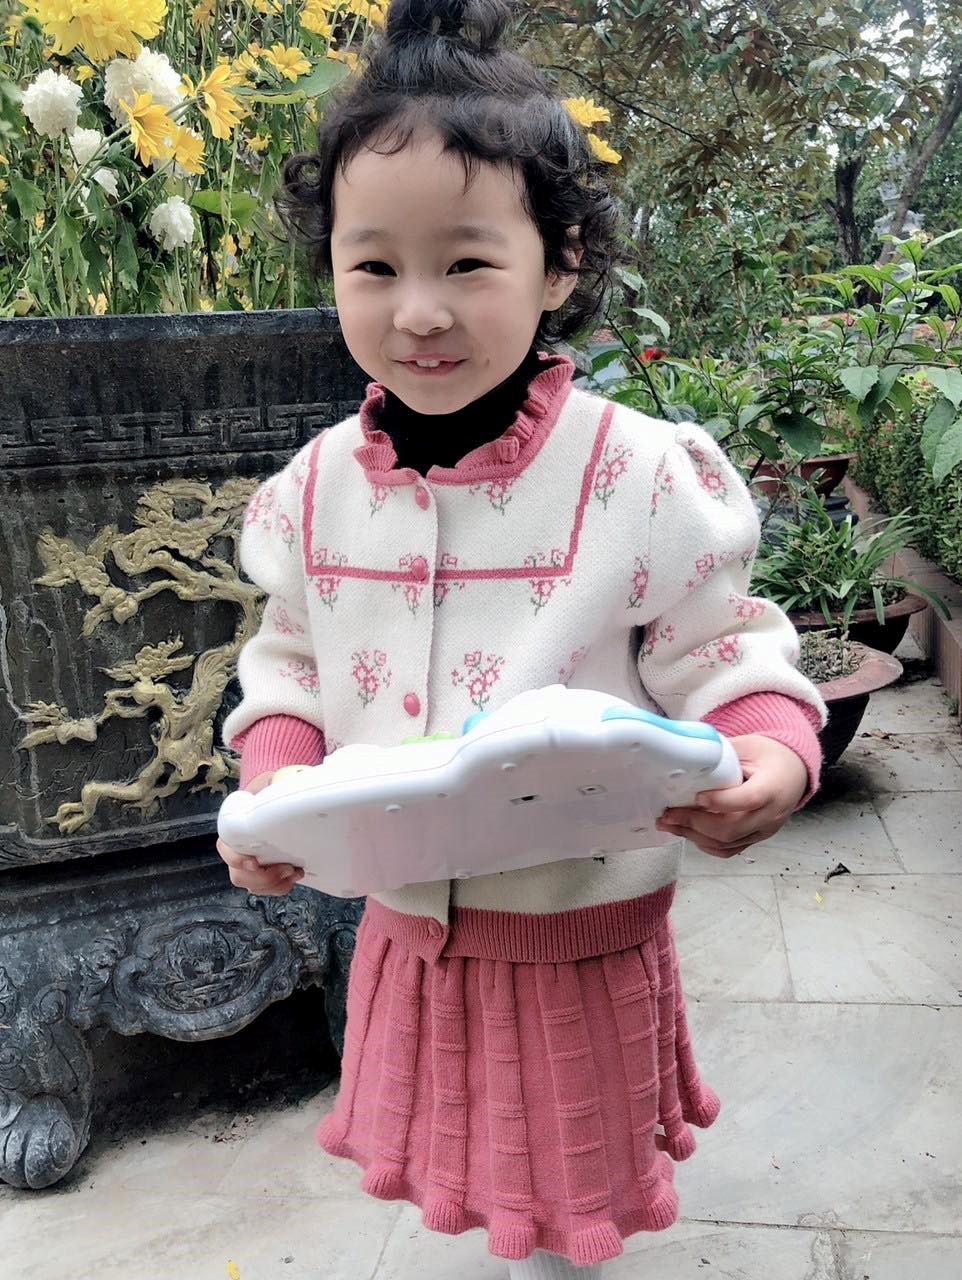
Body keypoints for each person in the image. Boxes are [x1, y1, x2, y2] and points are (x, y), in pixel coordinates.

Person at [216, 2, 827, 1275]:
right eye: (373, 267)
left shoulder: (635, 474)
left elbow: (722, 645)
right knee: (468, 1153)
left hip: (577, 927)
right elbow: (289, 663)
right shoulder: (315, 489)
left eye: (466, 263)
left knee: (575, 1176)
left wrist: (768, 751)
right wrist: (272, 788)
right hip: (407, 924)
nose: (418, 311)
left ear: (558, 264)